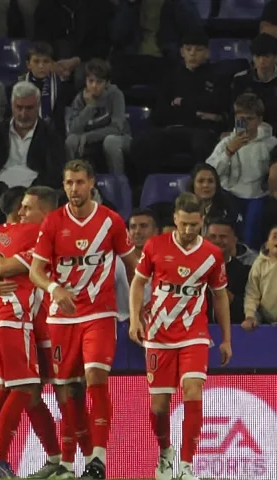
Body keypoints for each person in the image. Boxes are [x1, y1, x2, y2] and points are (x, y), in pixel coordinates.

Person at [28, 159, 139, 479]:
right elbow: (36, 271)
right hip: (61, 319)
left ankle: (99, 459)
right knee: (69, 392)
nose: (74, 189)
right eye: (68, 183)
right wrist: (53, 288)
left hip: (100, 315)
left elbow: (135, 267)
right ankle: (85, 460)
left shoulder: (111, 222)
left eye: (79, 182)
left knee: (96, 378)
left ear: (92, 183)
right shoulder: (52, 223)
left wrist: (138, 311)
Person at [128, 192, 232, 480]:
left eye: (194, 226)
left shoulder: (212, 254)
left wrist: (225, 339)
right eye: (183, 224)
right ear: (175, 219)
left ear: (202, 222)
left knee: (193, 391)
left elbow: (220, 297)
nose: (188, 231)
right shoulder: (154, 246)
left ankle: (185, 467)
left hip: (194, 333)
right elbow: (138, 284)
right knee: (159, 407)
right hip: (158, 333)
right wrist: (135, 319)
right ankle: (166, 454)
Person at [0, 186, 62, 478]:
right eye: (22, 207)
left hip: (40, 325)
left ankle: (56, 460)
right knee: (27, 390)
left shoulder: (31, 237)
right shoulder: (33, 237)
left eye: (28, 208)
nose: (22, 214)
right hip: (23, 322)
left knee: (30, 393)